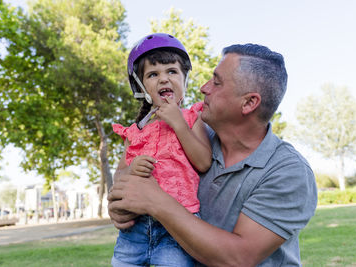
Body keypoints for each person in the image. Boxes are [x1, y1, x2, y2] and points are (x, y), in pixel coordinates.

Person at [108, 43, 318, 266]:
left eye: (216, 82)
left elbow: (238, 257)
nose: (203, 88)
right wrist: (119, 207)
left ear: (249, 103)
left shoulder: (288, 171)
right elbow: (129, 179)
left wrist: (156, 203)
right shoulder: (189, 139)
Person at [110, 33, 212, 267]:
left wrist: (178, 123)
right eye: (153, 74)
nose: (164, 79)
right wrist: (132, 169)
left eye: (172, 71)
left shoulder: (191, 118)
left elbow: (203, 161)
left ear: (184, 78)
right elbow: (119, 177)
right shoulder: (135, 131)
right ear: (141, 85)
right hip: (135, 229)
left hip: (177, 227)